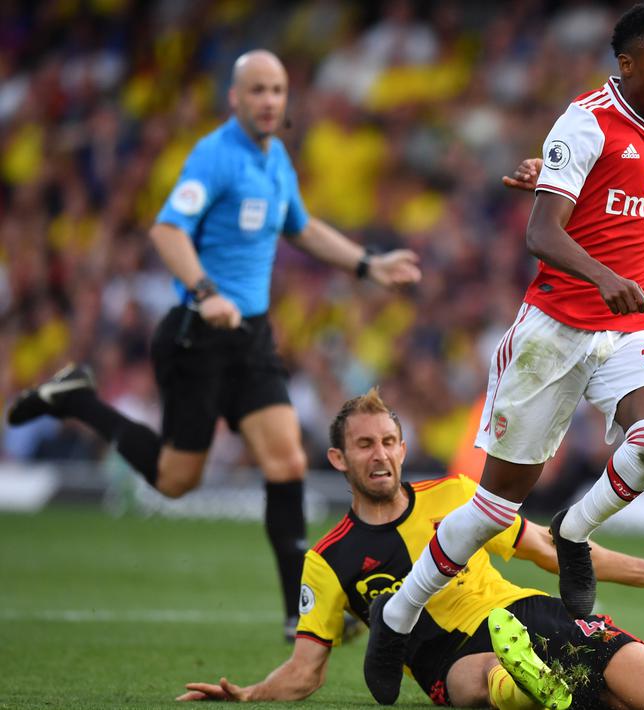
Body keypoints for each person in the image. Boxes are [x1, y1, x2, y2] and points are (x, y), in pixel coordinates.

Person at [5, 50, 421, 641]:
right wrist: (205, 292)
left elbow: (300, 226)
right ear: (235, 98)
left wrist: (368, 264)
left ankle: (297, 613)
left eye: (277, 89)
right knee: (177, 480)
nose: (269, 100)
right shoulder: (214, 156)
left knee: (286, 461)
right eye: (257, 90)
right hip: (198, 336)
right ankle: (77, 399)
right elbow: (166, 229)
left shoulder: (276, 159)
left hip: (250, 337)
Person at [364, 3, 644, 704]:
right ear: (627, 64)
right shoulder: (583, 121)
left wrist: (561, 178)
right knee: (493, 507)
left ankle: (572, 533)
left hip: (636, 323)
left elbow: (613, 197)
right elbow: (541, 233)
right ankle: (396, 617)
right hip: (555, 329)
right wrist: (599, 267)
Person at [176, 389, 644, 710]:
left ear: (403, 449)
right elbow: (306, 669)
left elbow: (548, 548)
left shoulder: (455, 495)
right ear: (339, 459)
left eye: (388, 442)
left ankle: (596, 682)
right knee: (483, 680)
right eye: (365, 445)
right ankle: (529, 679)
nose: (380, 455)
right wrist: (248, 694)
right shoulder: (328, 559)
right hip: (447, 658)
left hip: (523, 610)